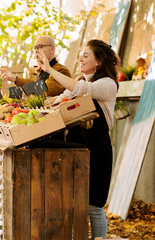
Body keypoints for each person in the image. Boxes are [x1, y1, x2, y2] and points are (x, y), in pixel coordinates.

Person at [37, 39, 119, 240]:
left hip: (98, 151)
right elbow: (59, 99)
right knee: (76, 204)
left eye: (85, 55)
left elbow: (80, 90)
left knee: (94, 206)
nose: (80, 59)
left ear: (99, 61)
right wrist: (39, 109)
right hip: (78, 150)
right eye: (81, 55)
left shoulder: (107, 85)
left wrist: (49, 68)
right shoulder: (82, 82)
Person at [0, 35, 71, 97]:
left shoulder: (61, 70)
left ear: (52, 49)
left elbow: (43, 90)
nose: (36, 51)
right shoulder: (40, 70)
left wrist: (16, 79)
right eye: (35, 48)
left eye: (40, 47)